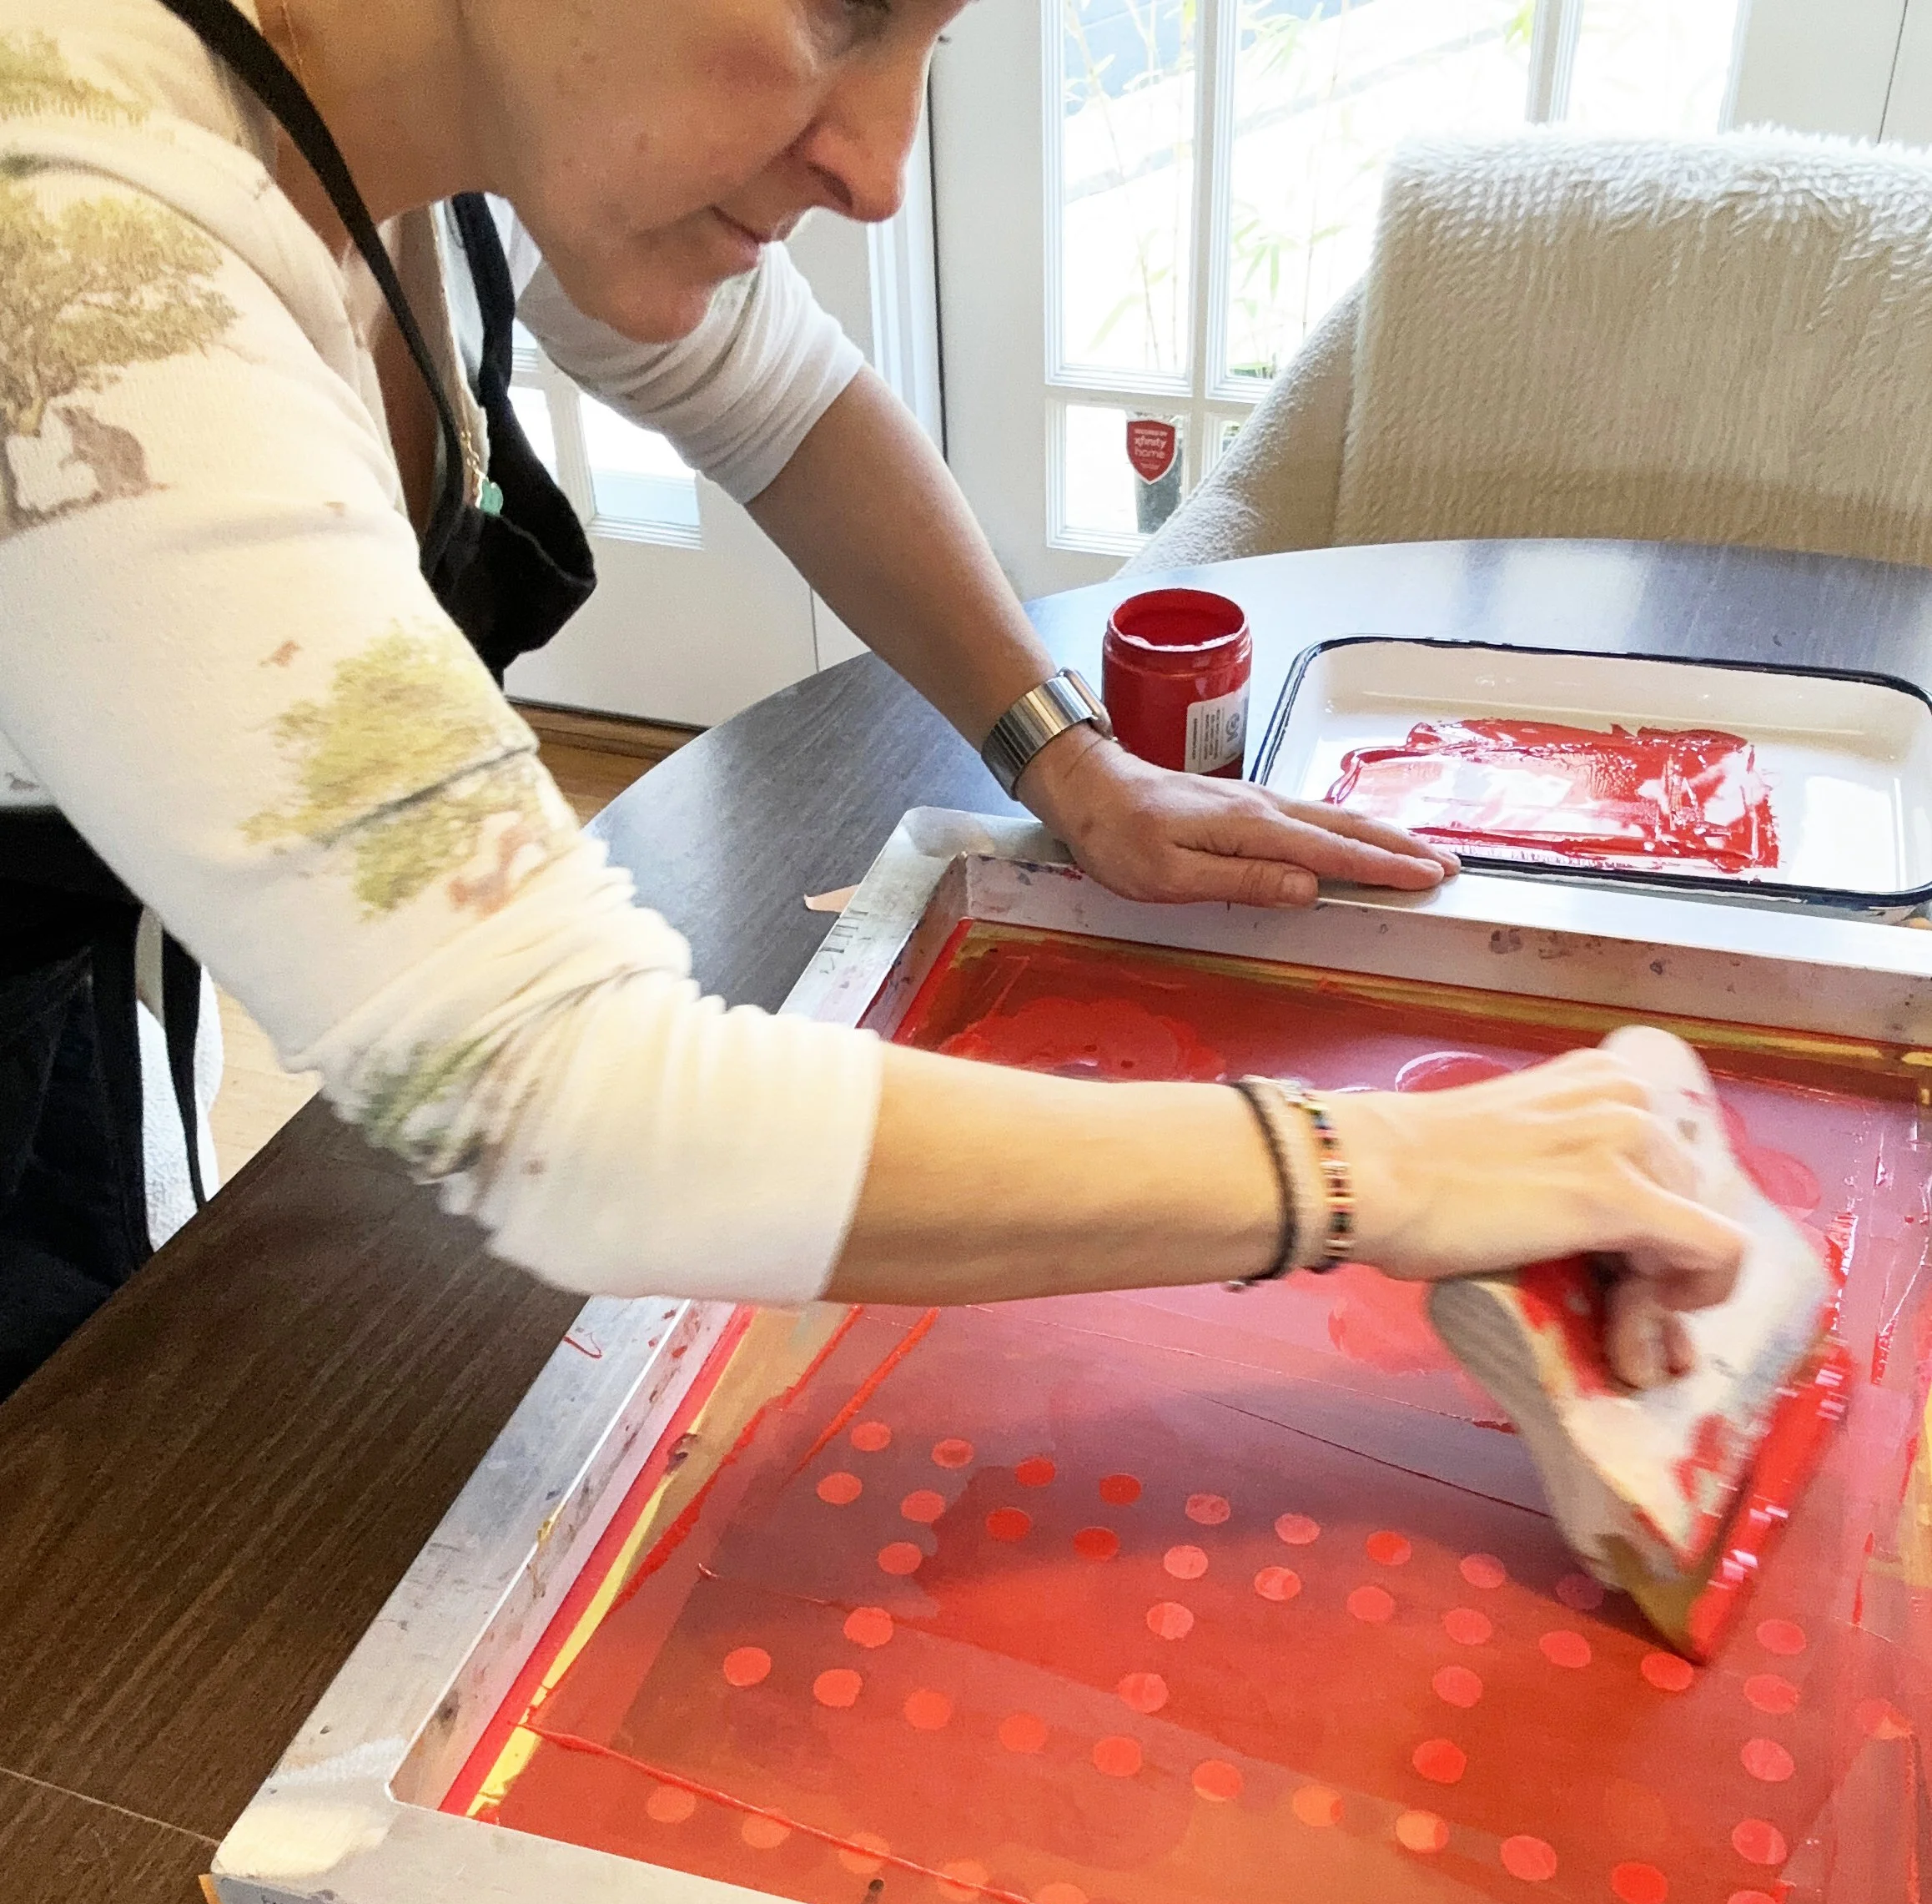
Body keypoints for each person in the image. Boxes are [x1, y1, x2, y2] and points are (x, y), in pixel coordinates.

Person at [0, 0, 1746, 1406]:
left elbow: (780, 401)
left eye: (930, 43)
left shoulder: (424, 106)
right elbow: (578, 1111)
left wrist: (1069, 761)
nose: (883, 170)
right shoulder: (72, 266)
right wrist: (1393, 1171)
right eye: (840, 10)